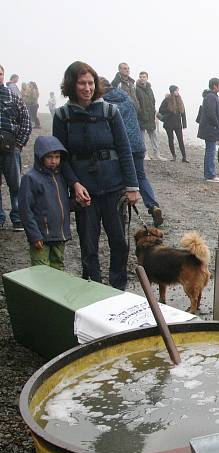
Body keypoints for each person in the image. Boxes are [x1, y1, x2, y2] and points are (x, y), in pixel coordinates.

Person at [53, 61, 139, 290]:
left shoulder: (110, 112)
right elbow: (61, 157)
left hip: (113, 187)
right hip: (84, 191)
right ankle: (92, 288)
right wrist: (74, 184)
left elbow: (124, 149)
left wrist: (132, 186)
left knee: (119, 243)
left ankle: (117, 288)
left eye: (90, 82)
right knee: (88, 245)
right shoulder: (62, 116)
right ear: (72, 84)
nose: (87, 87)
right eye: (82, 83)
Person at [101, 77, 163, 227]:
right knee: (140, 176)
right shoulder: (126, 97)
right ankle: (153, 205)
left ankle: (121, 214)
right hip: (137, 143)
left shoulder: (104, 103)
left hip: (121, 146)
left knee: (122, 179)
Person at [18, 136, 72, 269]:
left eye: (57, 156)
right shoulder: (30, 178)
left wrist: (78, 203)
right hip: (41, 237)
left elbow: (63, 204)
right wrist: (34, 235)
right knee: (41, 272)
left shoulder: (61, 177)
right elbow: (25, 210)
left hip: (59, 236)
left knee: (58, 269)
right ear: (40, 156)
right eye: (49, 157)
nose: (54, 161)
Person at [0, 64, 32, 231]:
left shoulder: (13, 97)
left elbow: (26, 122)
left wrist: (19, 145)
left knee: (15, 184)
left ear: (3, 76)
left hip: (10, 149)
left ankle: (18, 217)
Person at [197, 77, 219, 183]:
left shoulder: (211, 97)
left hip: (209, 128)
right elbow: (211, 114)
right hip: (210, 129)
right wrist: (217, 125)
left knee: (210, 151)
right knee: (211, 151)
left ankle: (209, 174)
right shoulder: (211, 97)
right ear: (214, 86)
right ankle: (210, 175)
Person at [135, 71, 164, 161]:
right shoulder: (136, 89)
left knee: (154, 136)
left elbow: (153, 102)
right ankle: (145, 154)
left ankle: (157, 154)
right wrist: (141, 112)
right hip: (142, 117)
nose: (142, 78)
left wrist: (154, 114)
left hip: (151, 117)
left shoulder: (150, 89)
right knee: (142, 137)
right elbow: (136, 102)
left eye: (144, 77)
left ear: (147, 78)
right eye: (141, 77)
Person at [158, 85, 188, 162]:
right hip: (168, 123)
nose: (177, 92)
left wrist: (184, 124)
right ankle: (173, 156)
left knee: (180, 140)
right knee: (170, 139)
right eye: (176, 90)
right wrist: (169, 111)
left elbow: (183, 113)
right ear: (172, 91)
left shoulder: (180, 100)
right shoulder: (167, 100)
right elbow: (161, 110)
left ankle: (184, 157)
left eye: (178, 90)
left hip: (178, 124)